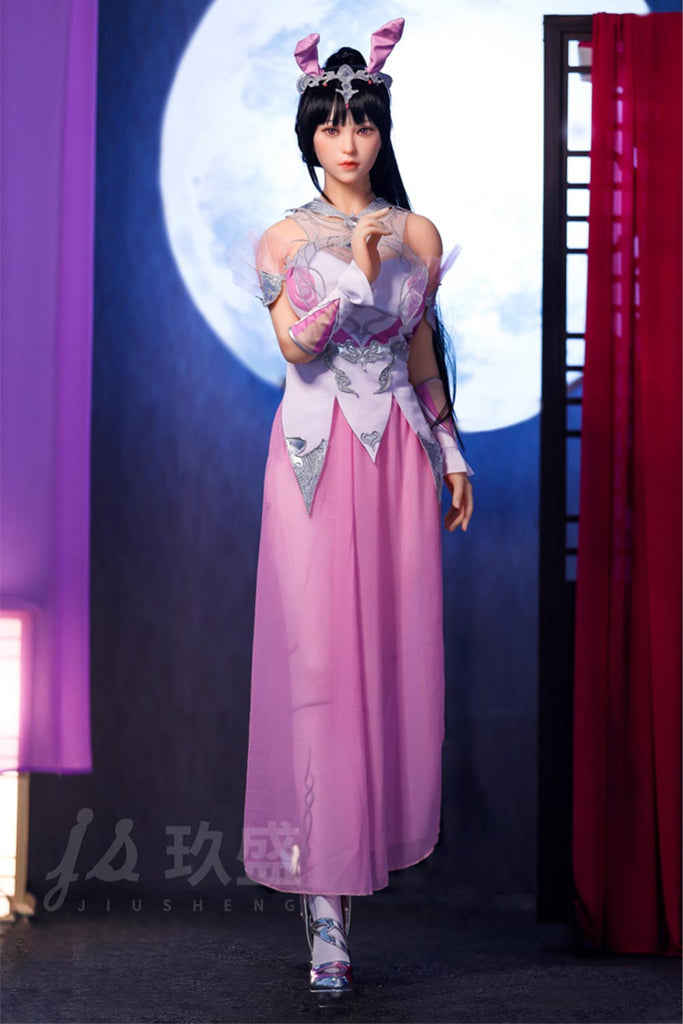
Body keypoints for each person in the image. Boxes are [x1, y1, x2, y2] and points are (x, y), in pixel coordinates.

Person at [238, 18, 474, 999]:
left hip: (395, 468)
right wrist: (357, 274)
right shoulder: (283, 238)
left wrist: (449, 450)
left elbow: (420, 354)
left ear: (382, 130)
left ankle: (351, 873)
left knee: (384, 660)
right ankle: (322, 913)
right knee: (318, 665)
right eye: (332, 125)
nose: (348, 141)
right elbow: (295, 347)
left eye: (363, 123)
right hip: (312, 458)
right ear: (308, 134)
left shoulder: (417, 233)